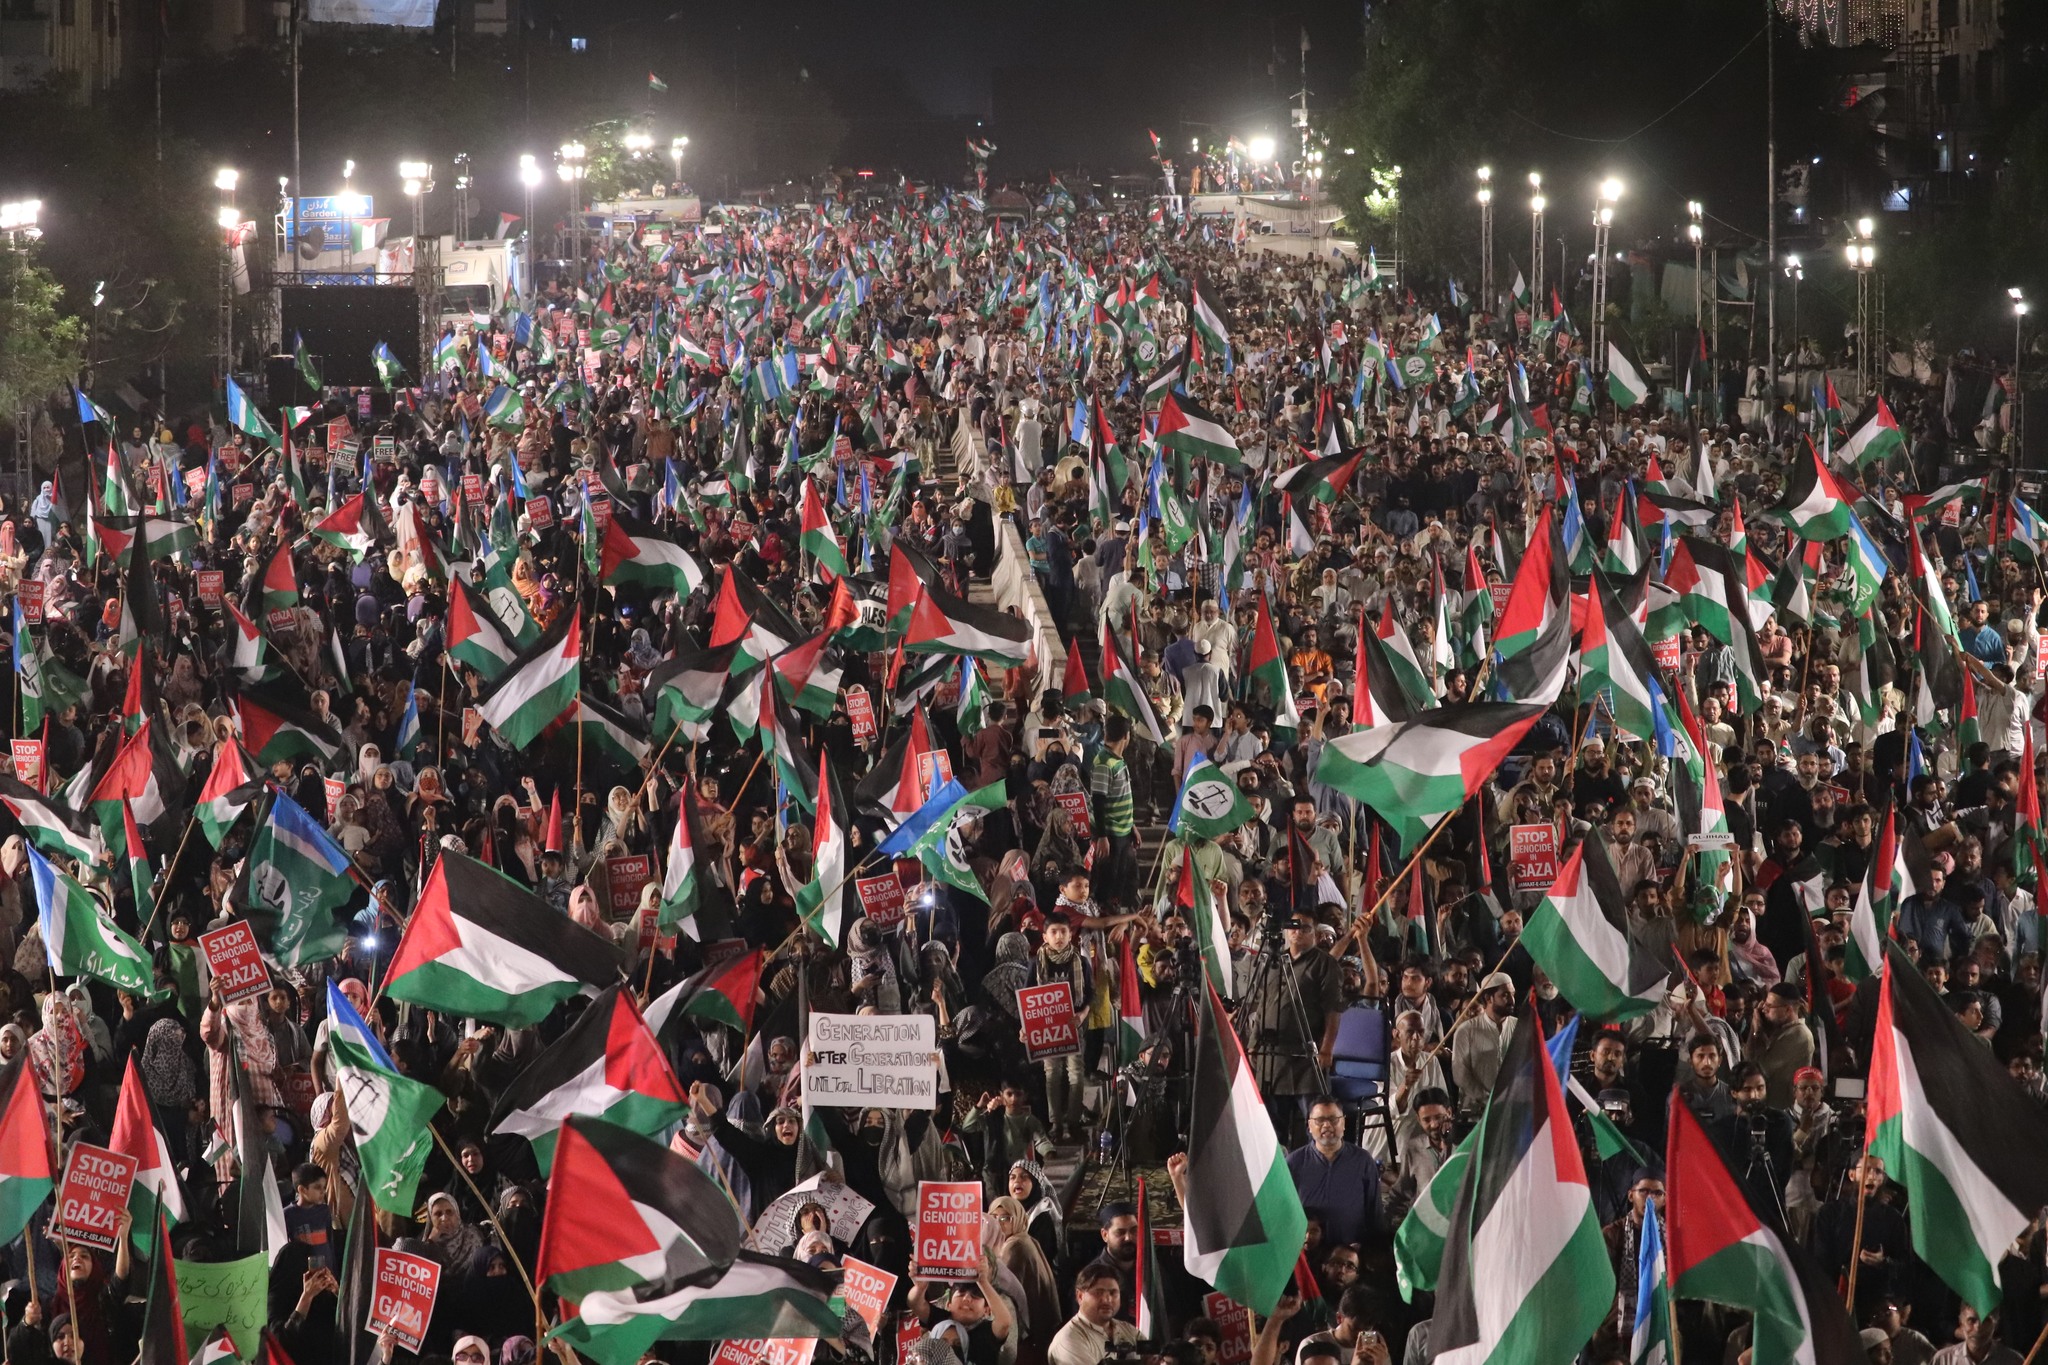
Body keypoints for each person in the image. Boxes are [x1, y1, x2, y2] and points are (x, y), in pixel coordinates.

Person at [1286, 1095, 1381, 1248]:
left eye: (1333, 1119)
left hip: (1349, 1254)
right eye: (1319, 1120)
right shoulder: (1294, 1163)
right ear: (1309, 1125)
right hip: (1307, 1252)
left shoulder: (1363, 1160)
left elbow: (1374, 1213)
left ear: (1343, 1123)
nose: (1327, 1126)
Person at [1048, 1262, 1138, 1365]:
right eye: (1098, 1293)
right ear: (1080, 1296)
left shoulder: (1128, 1330)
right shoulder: (1069, 1339)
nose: (1107, 1299)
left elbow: (1154, 1355)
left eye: (1113, 1293)